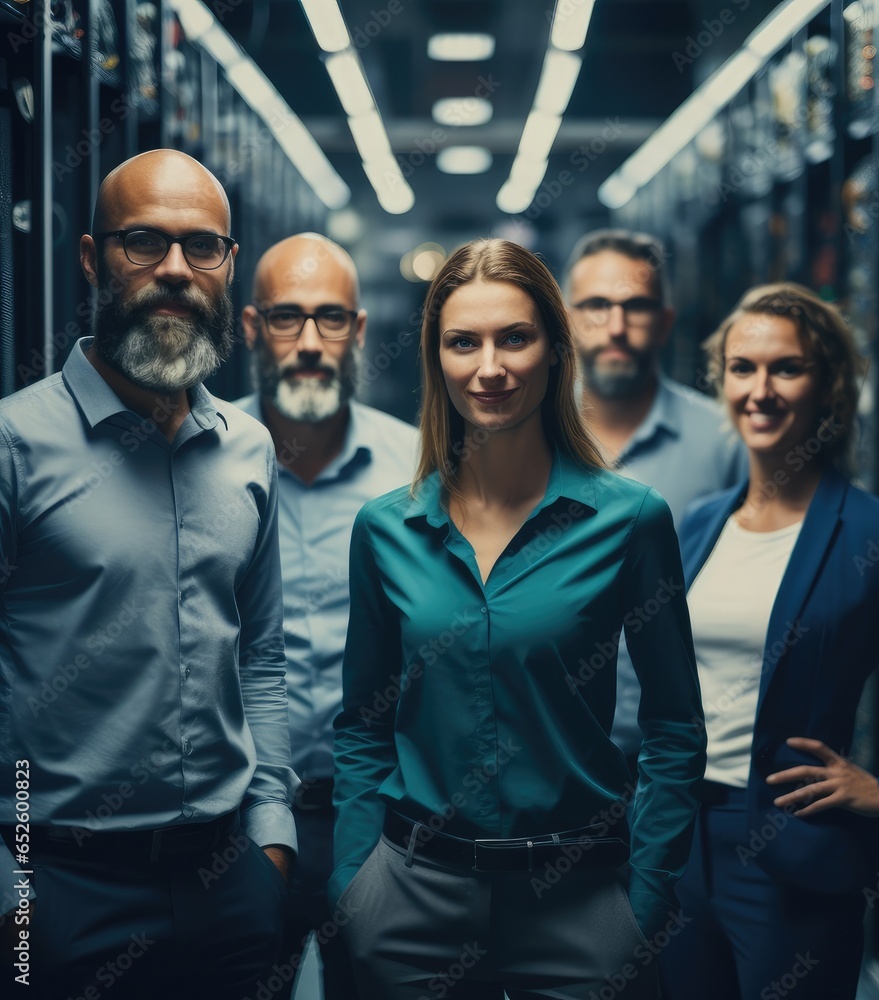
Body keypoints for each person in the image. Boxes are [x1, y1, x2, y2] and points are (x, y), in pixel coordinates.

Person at [329, 238, 706, 999]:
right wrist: (353, 885)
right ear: (435, 359)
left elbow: (674, 726)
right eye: (462, 342)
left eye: (515, 338)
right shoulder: (386, 529)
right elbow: (363, 723)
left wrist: (646, 897)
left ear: (556, 351)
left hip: (579, 896)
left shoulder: (630, 520)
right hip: (412, 896)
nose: (489, 367)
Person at [0, 149, 297, 999]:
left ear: (229, 267)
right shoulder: (14, 447)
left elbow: (262, 655)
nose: (175, 269)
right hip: (56, 890)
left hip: (229, 884)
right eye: (144, 242)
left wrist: (271, 840)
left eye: (202, 246)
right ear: (93, 258)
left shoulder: (249, 448)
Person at [660, 282, 879, 1000]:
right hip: (678, 846)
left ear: (830, 388)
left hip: (792, 849)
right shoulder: (698, 521)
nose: (761, 389)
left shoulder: (875, 535)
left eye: (787, 368)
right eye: (742, 368)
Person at [236, 232, 417, 1000]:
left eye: (331, 320)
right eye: (287, 319)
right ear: (250, 328)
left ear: (360, 330)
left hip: (385, 824)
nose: (310, 343)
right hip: (237, 826)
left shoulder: (418, 472)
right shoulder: (202, 457)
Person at [564, 229, 745, 766]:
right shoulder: (524, 439)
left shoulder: (726, 445)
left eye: (635, 307)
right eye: (596, 306)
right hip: (552, 765)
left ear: (665, 321)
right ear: (567, 319)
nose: (616, 327)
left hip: (688, 764)